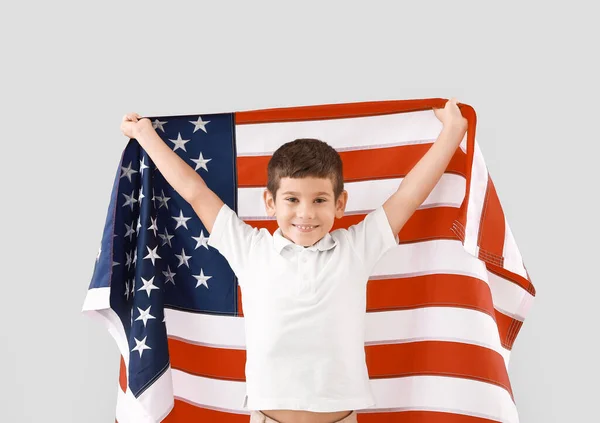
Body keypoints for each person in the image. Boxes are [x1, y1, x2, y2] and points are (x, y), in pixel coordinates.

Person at [120, 98, 468, 423]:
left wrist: (453, 131)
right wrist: (145, 135)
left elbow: (409, 193)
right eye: (291, 199)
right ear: (270, 203)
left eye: (319, 200)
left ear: (340, 203)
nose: (305, 213)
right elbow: (195, 192)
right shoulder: (250, 249)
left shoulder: (356, 248)